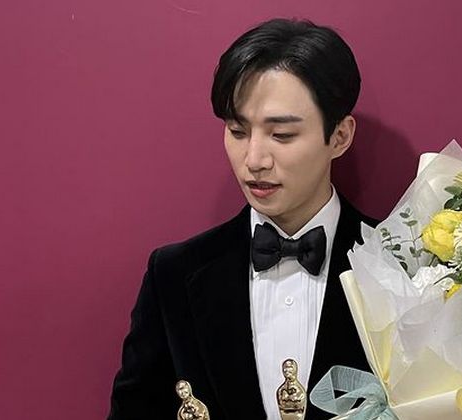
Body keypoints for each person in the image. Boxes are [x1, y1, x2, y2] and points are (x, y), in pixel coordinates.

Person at [108, 18, 377, 420]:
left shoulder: (403, 263)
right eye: (237, 131)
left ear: (339, 136)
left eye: (281, 135)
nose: (254, 160)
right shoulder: (174, 274)